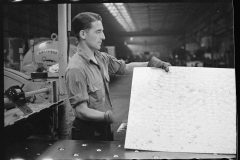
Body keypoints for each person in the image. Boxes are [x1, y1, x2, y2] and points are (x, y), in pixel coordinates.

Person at [65, 12, 171, 141]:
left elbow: (125, 68)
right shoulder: (76, 68)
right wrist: (110, 116)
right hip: (87, 132)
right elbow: (81, 111)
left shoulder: (101, 57)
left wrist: (151, 63)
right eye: (98, 32)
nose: (103, 37)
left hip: (104, 127)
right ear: (83, 34)